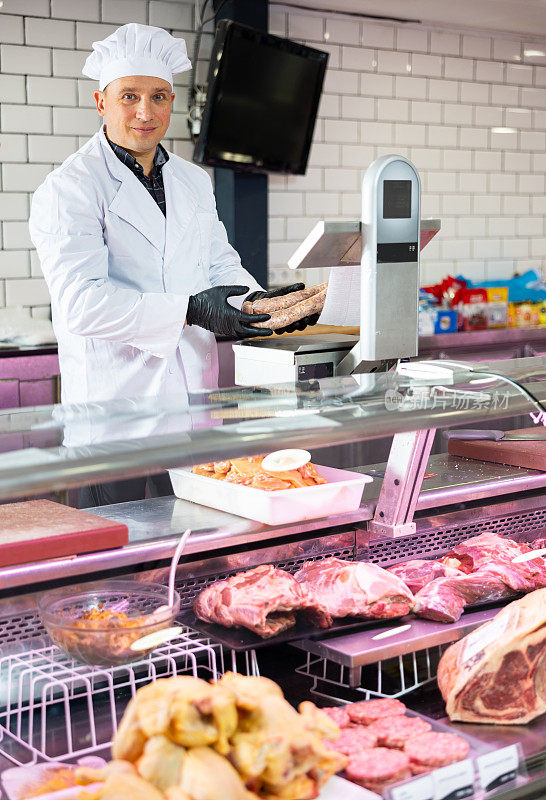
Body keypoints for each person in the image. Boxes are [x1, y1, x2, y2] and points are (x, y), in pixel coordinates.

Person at [29, 23, 318, 507]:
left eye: (160, 96)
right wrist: (191, 310)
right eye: (130, 96)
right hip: (115, 418)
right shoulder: (69, 189)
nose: (146, 112)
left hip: (192, 411)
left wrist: (259, 305)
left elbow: (219, 265)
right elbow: (79, 305)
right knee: (117, 558)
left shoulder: (192, 180)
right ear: (101, 102)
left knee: (193, 544)